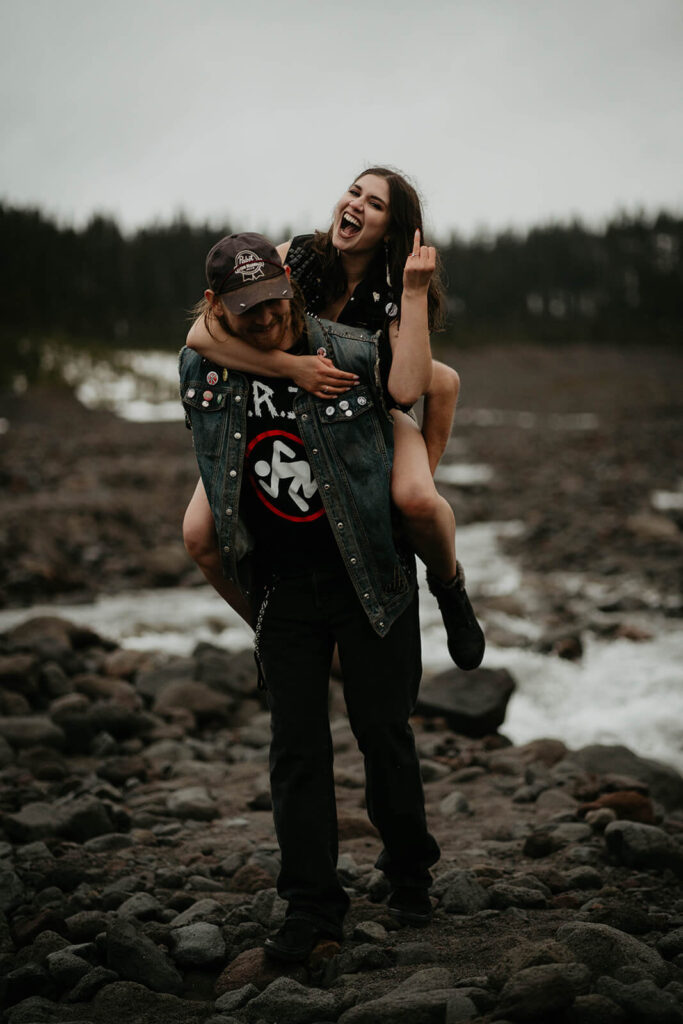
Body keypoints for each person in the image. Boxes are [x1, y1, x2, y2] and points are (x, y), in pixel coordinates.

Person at [179, 232, 440, 962]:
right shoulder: (200, 364)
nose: (262, 319)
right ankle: (311, 908)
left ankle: (409, 870)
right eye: (244, 310)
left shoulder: (350, 352)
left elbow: (424, 388)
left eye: (272, 303)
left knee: (382, 734)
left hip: (369, 576)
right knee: (295, 750)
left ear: (291, 288)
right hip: (281, 585)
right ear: (215, 305)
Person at [184, 167, 484, 671]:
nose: (357, 205)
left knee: (415, 500)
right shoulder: (295, 255)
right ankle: (276, 630)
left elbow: (409, 389)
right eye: (354, 192)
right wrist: (292, 367)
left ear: (391, 227)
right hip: (281, 409)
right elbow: (200, 334)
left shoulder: (394, 287)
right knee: (199, 537)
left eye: (376, 203)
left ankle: (449, 585)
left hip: (368, 411)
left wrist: (412, 293)